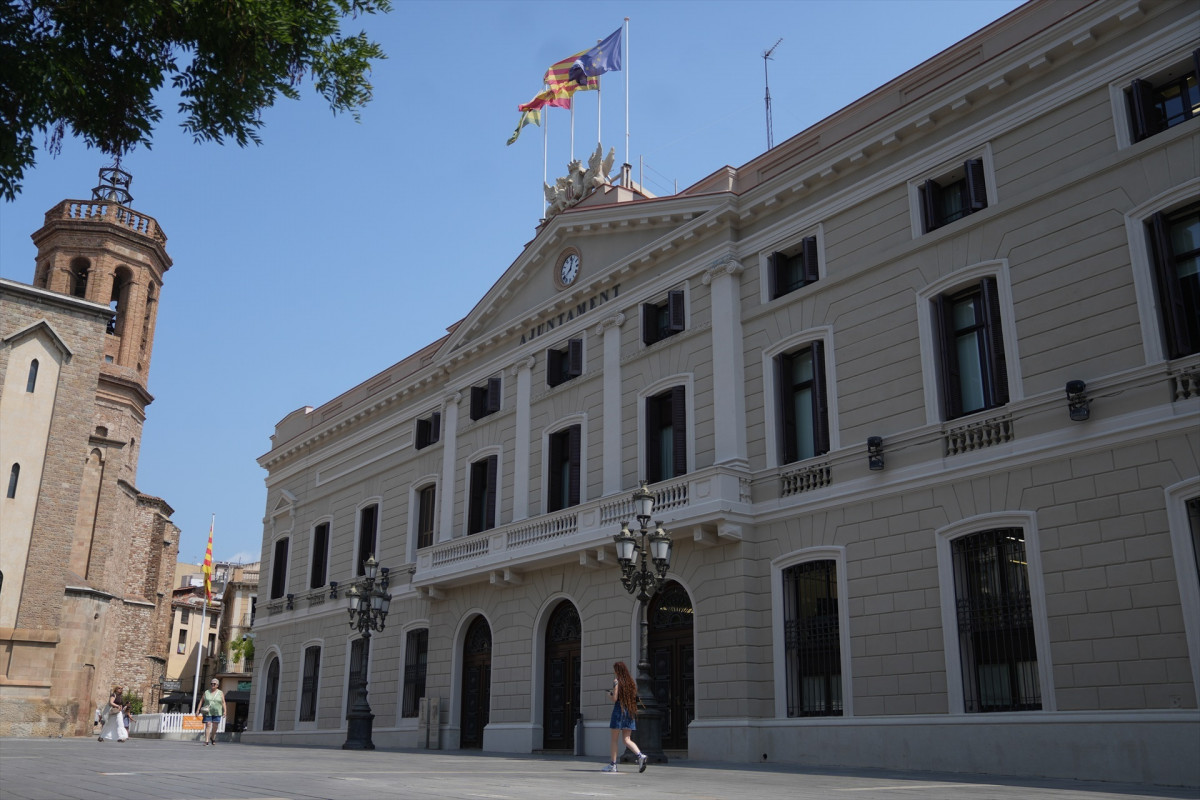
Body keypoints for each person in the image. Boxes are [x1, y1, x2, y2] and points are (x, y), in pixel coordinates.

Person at [603, 661, 647, 774]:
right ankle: (640, 755)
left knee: (614, 740)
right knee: (627, 739)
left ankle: (613, 765)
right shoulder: (630, 683)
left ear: (617, 671)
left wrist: (609, 694)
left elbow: (615, 698)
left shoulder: (617, 681)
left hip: (619, 711)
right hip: (629, 712)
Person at [201, 679, 225, 746]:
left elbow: (223, 702)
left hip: (217, 711)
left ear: (217, 685)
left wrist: (225, 711)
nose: (212, 685)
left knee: (215, 726)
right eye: (211, 683)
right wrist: (198, 710)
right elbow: (201, 701)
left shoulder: (220, 693)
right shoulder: (206, 692)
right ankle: (206, 741)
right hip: (208, 711)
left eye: (214, 684)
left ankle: (213, 737)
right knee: (208, 725)